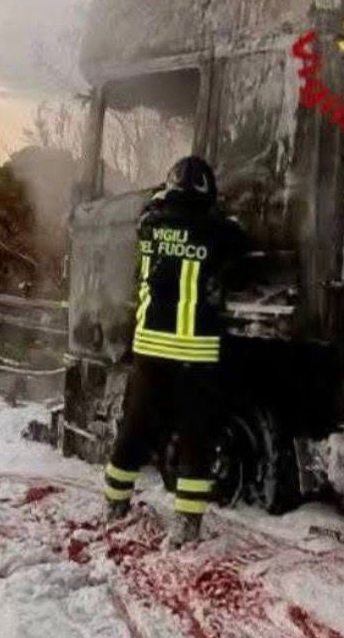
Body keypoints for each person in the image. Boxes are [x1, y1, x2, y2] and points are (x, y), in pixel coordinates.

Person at [102, 156, 252, 548]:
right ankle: (187, 523)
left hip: (149, 348)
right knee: (194, 439)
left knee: (133, 430)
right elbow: (241, 246)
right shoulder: (215, 231)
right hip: (194, 353)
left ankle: (114, 504)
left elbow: (149, 212)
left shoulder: (148, 224)